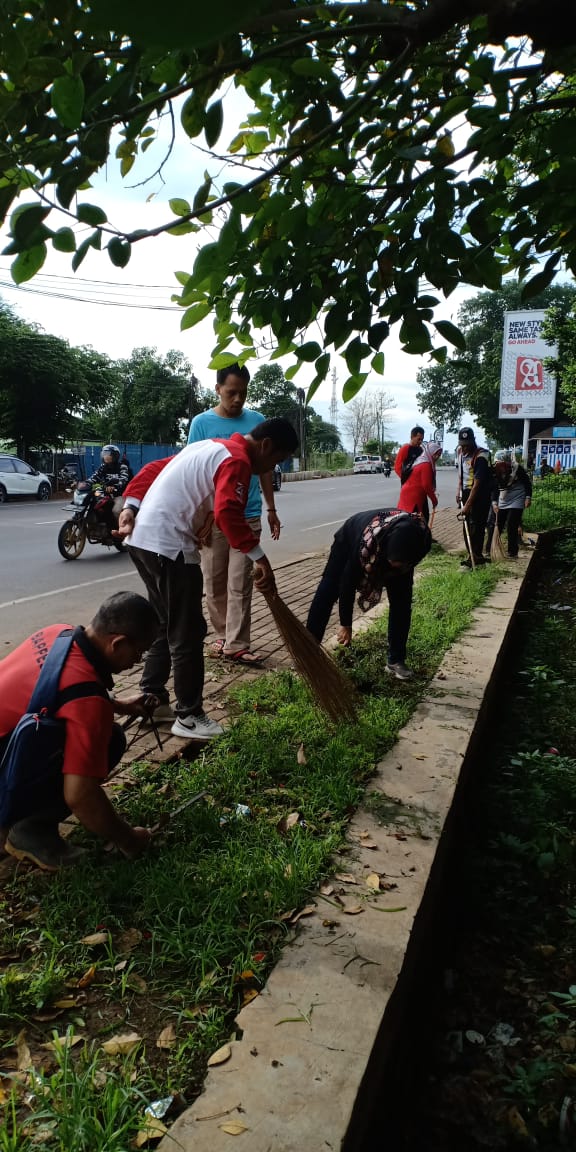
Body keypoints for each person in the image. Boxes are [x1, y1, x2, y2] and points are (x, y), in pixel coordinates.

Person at [118, 418, 299, 741]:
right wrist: (260, 557)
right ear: (266, 445)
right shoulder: (238, 459)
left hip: (144, 541)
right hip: (168, 546)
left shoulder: (208, 447)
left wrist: (131, 505)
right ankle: (189, 716)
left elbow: (152, 470)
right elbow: (229, 512)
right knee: (187, 630)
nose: (270, 468)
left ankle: (153, 699)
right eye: (275, 460)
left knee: (165, 622)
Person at [0, 592, 160, 872]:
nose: (138, 660)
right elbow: (81, 796)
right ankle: (30, 829)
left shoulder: (57, 634)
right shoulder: (88, 703)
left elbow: (53, 692)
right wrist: (130, 839)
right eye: (139, 652)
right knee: (110, 740)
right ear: (117, 643)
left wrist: (120, 705)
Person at [188, 364, 280, 666]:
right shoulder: (201, 424)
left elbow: (265, 469)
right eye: (231, 392)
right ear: (217, 389)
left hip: (248, 514)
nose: (238, 399)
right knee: (214, 583)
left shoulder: (256, 422)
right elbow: (194, 473)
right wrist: (199, 519)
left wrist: (271, 508)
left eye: (243, 393)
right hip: (213, 519)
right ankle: (224, 636)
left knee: (240, 582)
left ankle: (237, 644)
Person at [306, 509, 432, 680]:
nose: (395, 568)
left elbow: (400, 576)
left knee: (402, 602)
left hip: (397, 551)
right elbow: (347, 584)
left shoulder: (419, 541)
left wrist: (399, 567)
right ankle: (308, 652)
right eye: (392, 564)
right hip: (349, 537)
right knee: (329, 589)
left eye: (400, 566)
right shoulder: (368, 543)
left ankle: (396, 660)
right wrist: (346, 624)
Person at [456, 427, 493, 568]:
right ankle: (471, 554)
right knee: (467, 525)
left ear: (473, 442)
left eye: (467, 445)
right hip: (466, 492)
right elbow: (461, 474)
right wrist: (458, 491)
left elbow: (477, 484)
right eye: (462, 445)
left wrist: (467, 505)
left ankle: (476, 557)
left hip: (480, 495)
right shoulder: (460, 453)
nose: (464, 449)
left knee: (477, 526)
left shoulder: (482, 456)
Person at [491, 452, 532, 558]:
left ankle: (512, 552)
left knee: (511, 525)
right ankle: (491, 548)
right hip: (503, 498)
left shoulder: (517, 469)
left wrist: (528, 497)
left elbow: (527, 483)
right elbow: (494, 488)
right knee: (498, 523)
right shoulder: (494, 471)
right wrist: (494, 503)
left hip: (517, 497)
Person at [397, 441, 441, 521]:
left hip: (409, 493)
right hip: (413, 496)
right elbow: (426, 485)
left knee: (407, 519)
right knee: (413, 522)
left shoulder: (420, 461)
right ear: (430, 452)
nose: (437, 457)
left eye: (439, 454)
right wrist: (434, 500)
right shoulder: (426, 464)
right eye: (435, 454)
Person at [88, 444, 131, 520]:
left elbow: (124, 479)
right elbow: (95, 477)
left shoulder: (122, 467)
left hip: (119, 495)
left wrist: (115, 486)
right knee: (93, 505)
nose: (106, 456)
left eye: (108, 454)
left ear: (115, 456)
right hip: (105, 494)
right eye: (104, 454)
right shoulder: (103, 467)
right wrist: (85, 484)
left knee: (116, 511)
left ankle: (120, 530)